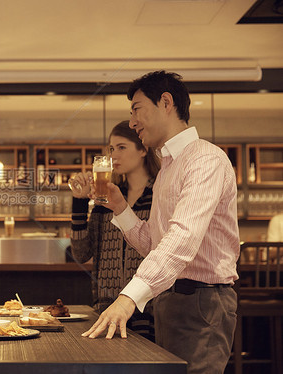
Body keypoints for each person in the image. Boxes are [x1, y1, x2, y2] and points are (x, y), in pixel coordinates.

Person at [82, 71, 239, 374]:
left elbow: (183, 238)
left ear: (166, 102)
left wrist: (129, 297)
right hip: (170, 299)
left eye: (137, 109)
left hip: (201, 301)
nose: (132, 121)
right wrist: (119, 206)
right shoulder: (168, 167)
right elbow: (153, 244)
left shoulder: (204, 159)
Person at [69, 120, 159, 341]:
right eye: (111, 149)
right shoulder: (106, 198)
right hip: (106, 310)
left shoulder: (159, 194)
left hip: (150, 311)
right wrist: (79, 202)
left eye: (121, 147)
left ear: (143, 150)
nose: (114, 155)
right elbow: (81, 254)